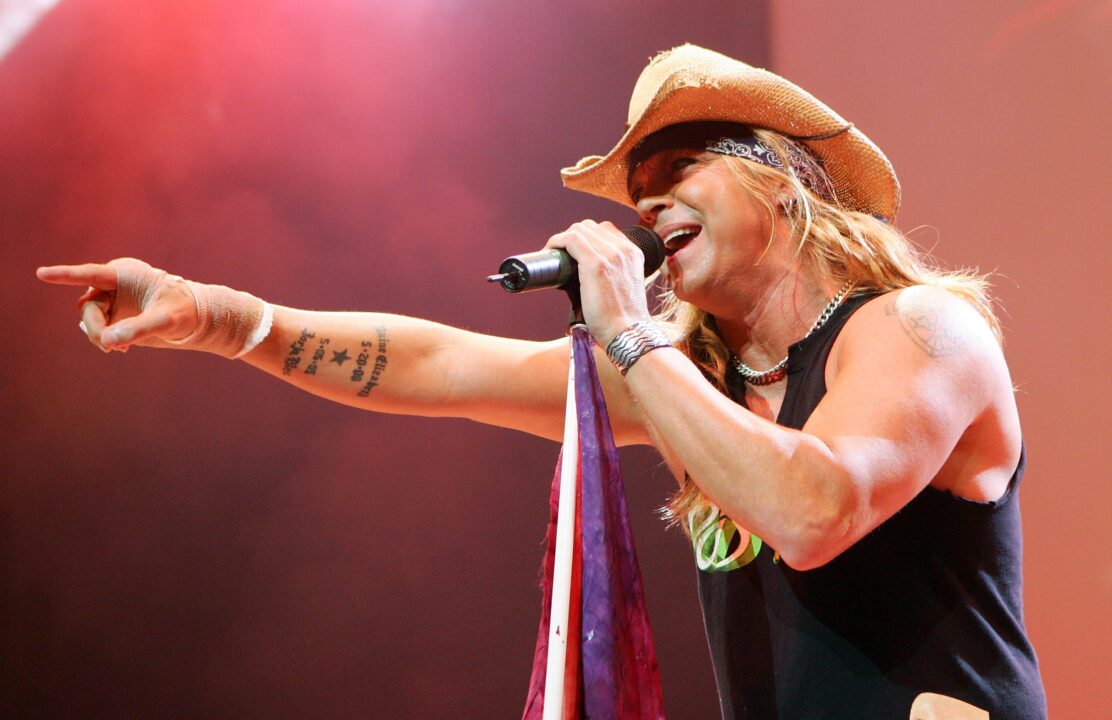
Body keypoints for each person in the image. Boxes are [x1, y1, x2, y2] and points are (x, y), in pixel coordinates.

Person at [38, 44, 1046, 719]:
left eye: (679, 167)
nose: (647, 203)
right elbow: (437, 366)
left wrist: (625, 333)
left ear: (780, 180)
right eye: (638, 189)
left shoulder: (920, 329)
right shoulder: (688, 377)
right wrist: (223, 317)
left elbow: (811, 505)